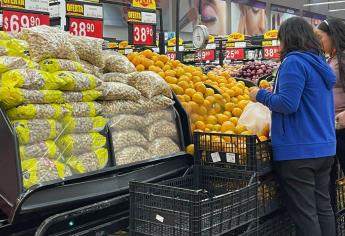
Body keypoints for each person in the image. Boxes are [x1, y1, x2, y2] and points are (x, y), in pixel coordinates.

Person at [249, 17, 336, 236]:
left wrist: (259, 94)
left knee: (305, 214)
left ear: (288, 38)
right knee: (323, 207)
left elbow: (288, 104)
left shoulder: (294, 62)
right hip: (323, 148)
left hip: (299, 150)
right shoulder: (318, 63)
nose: (279, 46)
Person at [316, 19, 345, 210]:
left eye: (320, 37)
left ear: (332, 35)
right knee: (329, 182)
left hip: (343, 129)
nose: (318, 41)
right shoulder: (330, 59)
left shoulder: (342, 60)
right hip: (331, 128)